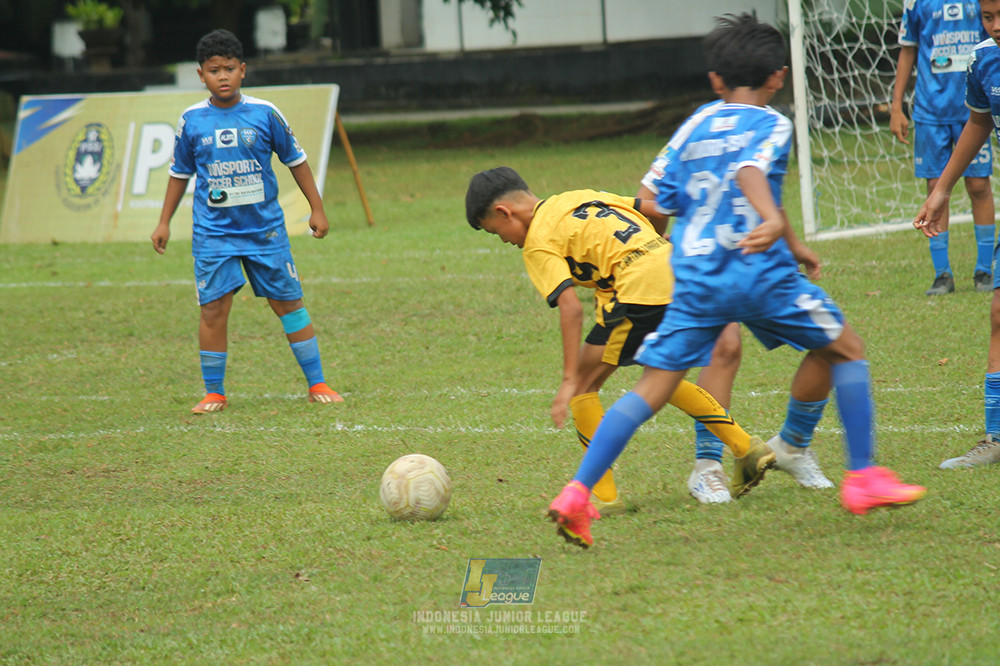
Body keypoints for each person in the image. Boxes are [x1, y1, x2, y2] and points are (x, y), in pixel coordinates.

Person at [547, 12, 927, 548]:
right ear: (778, 76)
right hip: (755, 271)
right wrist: (770, 224)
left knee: (650, 388)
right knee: (846, 348)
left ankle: (577, 494)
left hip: (696, 277)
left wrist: (788, 237)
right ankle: (862, 476)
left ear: (715, 80)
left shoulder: (695, 124)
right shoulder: (771, 123)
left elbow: (655, 196)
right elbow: (750, 173)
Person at [464, 167, 778, 514]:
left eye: (497, 232)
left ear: (503, 212)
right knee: (660, 373)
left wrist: (568, 379)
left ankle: (605, 497)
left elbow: (569, 308)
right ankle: (747, 448)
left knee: (584, 386)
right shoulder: (578, 196)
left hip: (638, 290)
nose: (505, 240)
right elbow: (656, 209)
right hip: (676, 272)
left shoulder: (538, 241)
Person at [151, 29, 343, 413]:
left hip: (264, 230)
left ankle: (318, 381)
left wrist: (316, 208)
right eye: (213, 70)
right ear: (200, 75)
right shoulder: (191, 121)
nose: (222, 76)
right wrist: (163, 222)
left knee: (289, 303)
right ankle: (214, 392)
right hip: (214, 233)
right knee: (213, 308)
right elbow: (179, 173)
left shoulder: (265, 114)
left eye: (229, 69)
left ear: (244, 71)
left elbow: (297, 162)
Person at [637, 159, 835, 497]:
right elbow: (645, 202)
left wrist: (790, 244)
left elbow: (772, 199)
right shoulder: (696, 133)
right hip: (706, 266)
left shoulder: (763, 130)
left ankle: (792, 446)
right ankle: (707, 466)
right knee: (723, 345)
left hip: (761, 262)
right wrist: (658, 243)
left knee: (832, 342)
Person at [915, 0, 1000, 468]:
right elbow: (979, 120)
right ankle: (996, 437)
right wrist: (943, 189)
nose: (995, 25)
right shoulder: (984, 58)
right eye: (988, 16)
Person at [891, 0, 994, 296]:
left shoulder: (982, 3)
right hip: (930, 110)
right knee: (937, 185)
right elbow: (908, 49)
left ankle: (984, 270)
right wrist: (897, 105)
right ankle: (942, 275)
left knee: (978, 185)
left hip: (972, 110)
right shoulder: (917, 2)